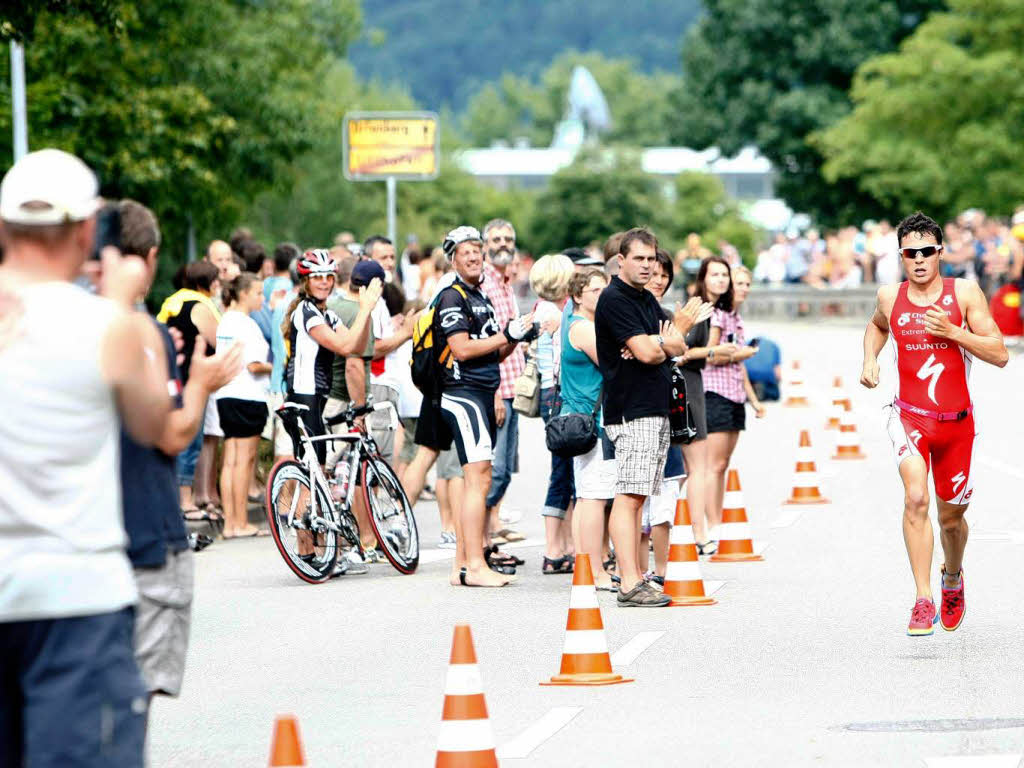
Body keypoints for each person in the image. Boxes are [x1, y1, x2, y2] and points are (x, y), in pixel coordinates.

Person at [0, 149, 170, 766]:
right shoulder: (106, 326)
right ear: (84, 232)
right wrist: (123, 307)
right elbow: (156, 424)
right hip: (78, 597)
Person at [115, 199, 241, 725]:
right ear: (148, 257)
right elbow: (169, 433)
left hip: (50, 552)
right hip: (141, 536)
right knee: (127, 707)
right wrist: (200, 383)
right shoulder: (140, 333)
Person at [861, 211, 1007, 636]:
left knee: (951, 520)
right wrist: (870, 358)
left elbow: (999, 353)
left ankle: (952, 577)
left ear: (940, 252)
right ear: (902, 257)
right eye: (911, 253)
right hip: (909, 417)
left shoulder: (964, 294)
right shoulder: (890, 296)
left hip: (956, 425)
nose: (920, 259)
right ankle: (923, 598)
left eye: (927, 251)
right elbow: (876, 326)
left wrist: (955, 333)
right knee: (915, 498)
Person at [595, 227, 700, 607]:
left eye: (651, 259)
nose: (647, 266)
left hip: (654, 408)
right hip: (631, 409)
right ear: (620, 260)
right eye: (638, 259)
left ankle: (636, 577)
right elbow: (651, 350)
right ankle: (628, 582)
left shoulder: (645, 300)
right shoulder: (616, 299)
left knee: (640, 496)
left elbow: (673, 346)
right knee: (629, 495)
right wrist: (660, 342)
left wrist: (660, 343)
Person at [429, 226, 537, 587]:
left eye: (478, 251)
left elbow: (494, 350)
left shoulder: (481, 296)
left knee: (478, 479)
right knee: (478, 480)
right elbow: (461, 349)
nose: (474, 257)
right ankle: (474, 565)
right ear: (453, 259)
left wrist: (516, 336)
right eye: (466, 252)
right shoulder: (451, 296)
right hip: (463, 394)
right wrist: (505, 336)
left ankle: (464, 564)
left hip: (481, 390)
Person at [641, 249, 699, 584]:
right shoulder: (631, 312)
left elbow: (677, 351)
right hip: (639, 411)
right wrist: (674, 335)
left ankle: (661, 570)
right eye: (654, 273)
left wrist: (675, 338)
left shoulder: (662, 312)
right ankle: (637, 570)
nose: (659, 280)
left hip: (669, 411)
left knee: (665, 495)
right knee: (640, 498)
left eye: (665, 276)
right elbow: (659, 350)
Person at [700, 262, 766, 549]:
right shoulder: (716, 315)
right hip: (714, 391)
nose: (742, 289)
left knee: (722, 464)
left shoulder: (734, 317)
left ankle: (716, 520)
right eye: (738, 283)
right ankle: (710, 524)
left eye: (746, 284)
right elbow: (712, 355)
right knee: (712, 465)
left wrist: (753, 400)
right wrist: (741, 353)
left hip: (734, 393)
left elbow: (739, 366)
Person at [561, 268, 616, 591]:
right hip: (591, 420)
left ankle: (586, 566)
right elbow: (611, 363)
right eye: (594, 290)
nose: (601, 295)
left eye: (603, 290)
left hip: (581, 417)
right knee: (594, 497)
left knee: (585, 497)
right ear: (578, 296)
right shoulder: (582, 328)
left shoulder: (579, 325)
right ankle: (596, 570)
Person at [157, 258, 222, 520]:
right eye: (215, 280)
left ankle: (180, 498)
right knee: (190, 439)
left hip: (173, 376)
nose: (218, 285)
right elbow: (218, 340)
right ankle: (185, 501)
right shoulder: (199, 306)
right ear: (203, 283)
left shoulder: (176, 303)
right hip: (192, 379)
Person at [478, 219, 528, 542]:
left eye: (508, 238)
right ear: (485, 244)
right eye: (496, 238)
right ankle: (478, 533)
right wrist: (494, 394)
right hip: (497, 389)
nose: (502, 243)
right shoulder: (485, 282)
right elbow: (488, 342)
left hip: (512, 387)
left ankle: (492, 526)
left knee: (507, 467)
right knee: (494, 470)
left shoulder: (505, 280)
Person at [529, 254, 577, 574]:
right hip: (558, 395)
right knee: (562, 470)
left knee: (569, 470)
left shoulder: (548, 309)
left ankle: (567, 544)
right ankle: (553, 548)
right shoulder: (551, 313)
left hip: (553, 394)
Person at [216, 273, 272, 539]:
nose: (262, 298)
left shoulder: (225, 320)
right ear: (244, 294)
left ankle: (230, 523)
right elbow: (254, 365)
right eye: (259, 293)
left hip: (226, 392)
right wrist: (278, 367)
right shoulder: (246, 324)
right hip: (247, 394)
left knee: (230, 461)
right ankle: (240, 522)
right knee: (243, 461)